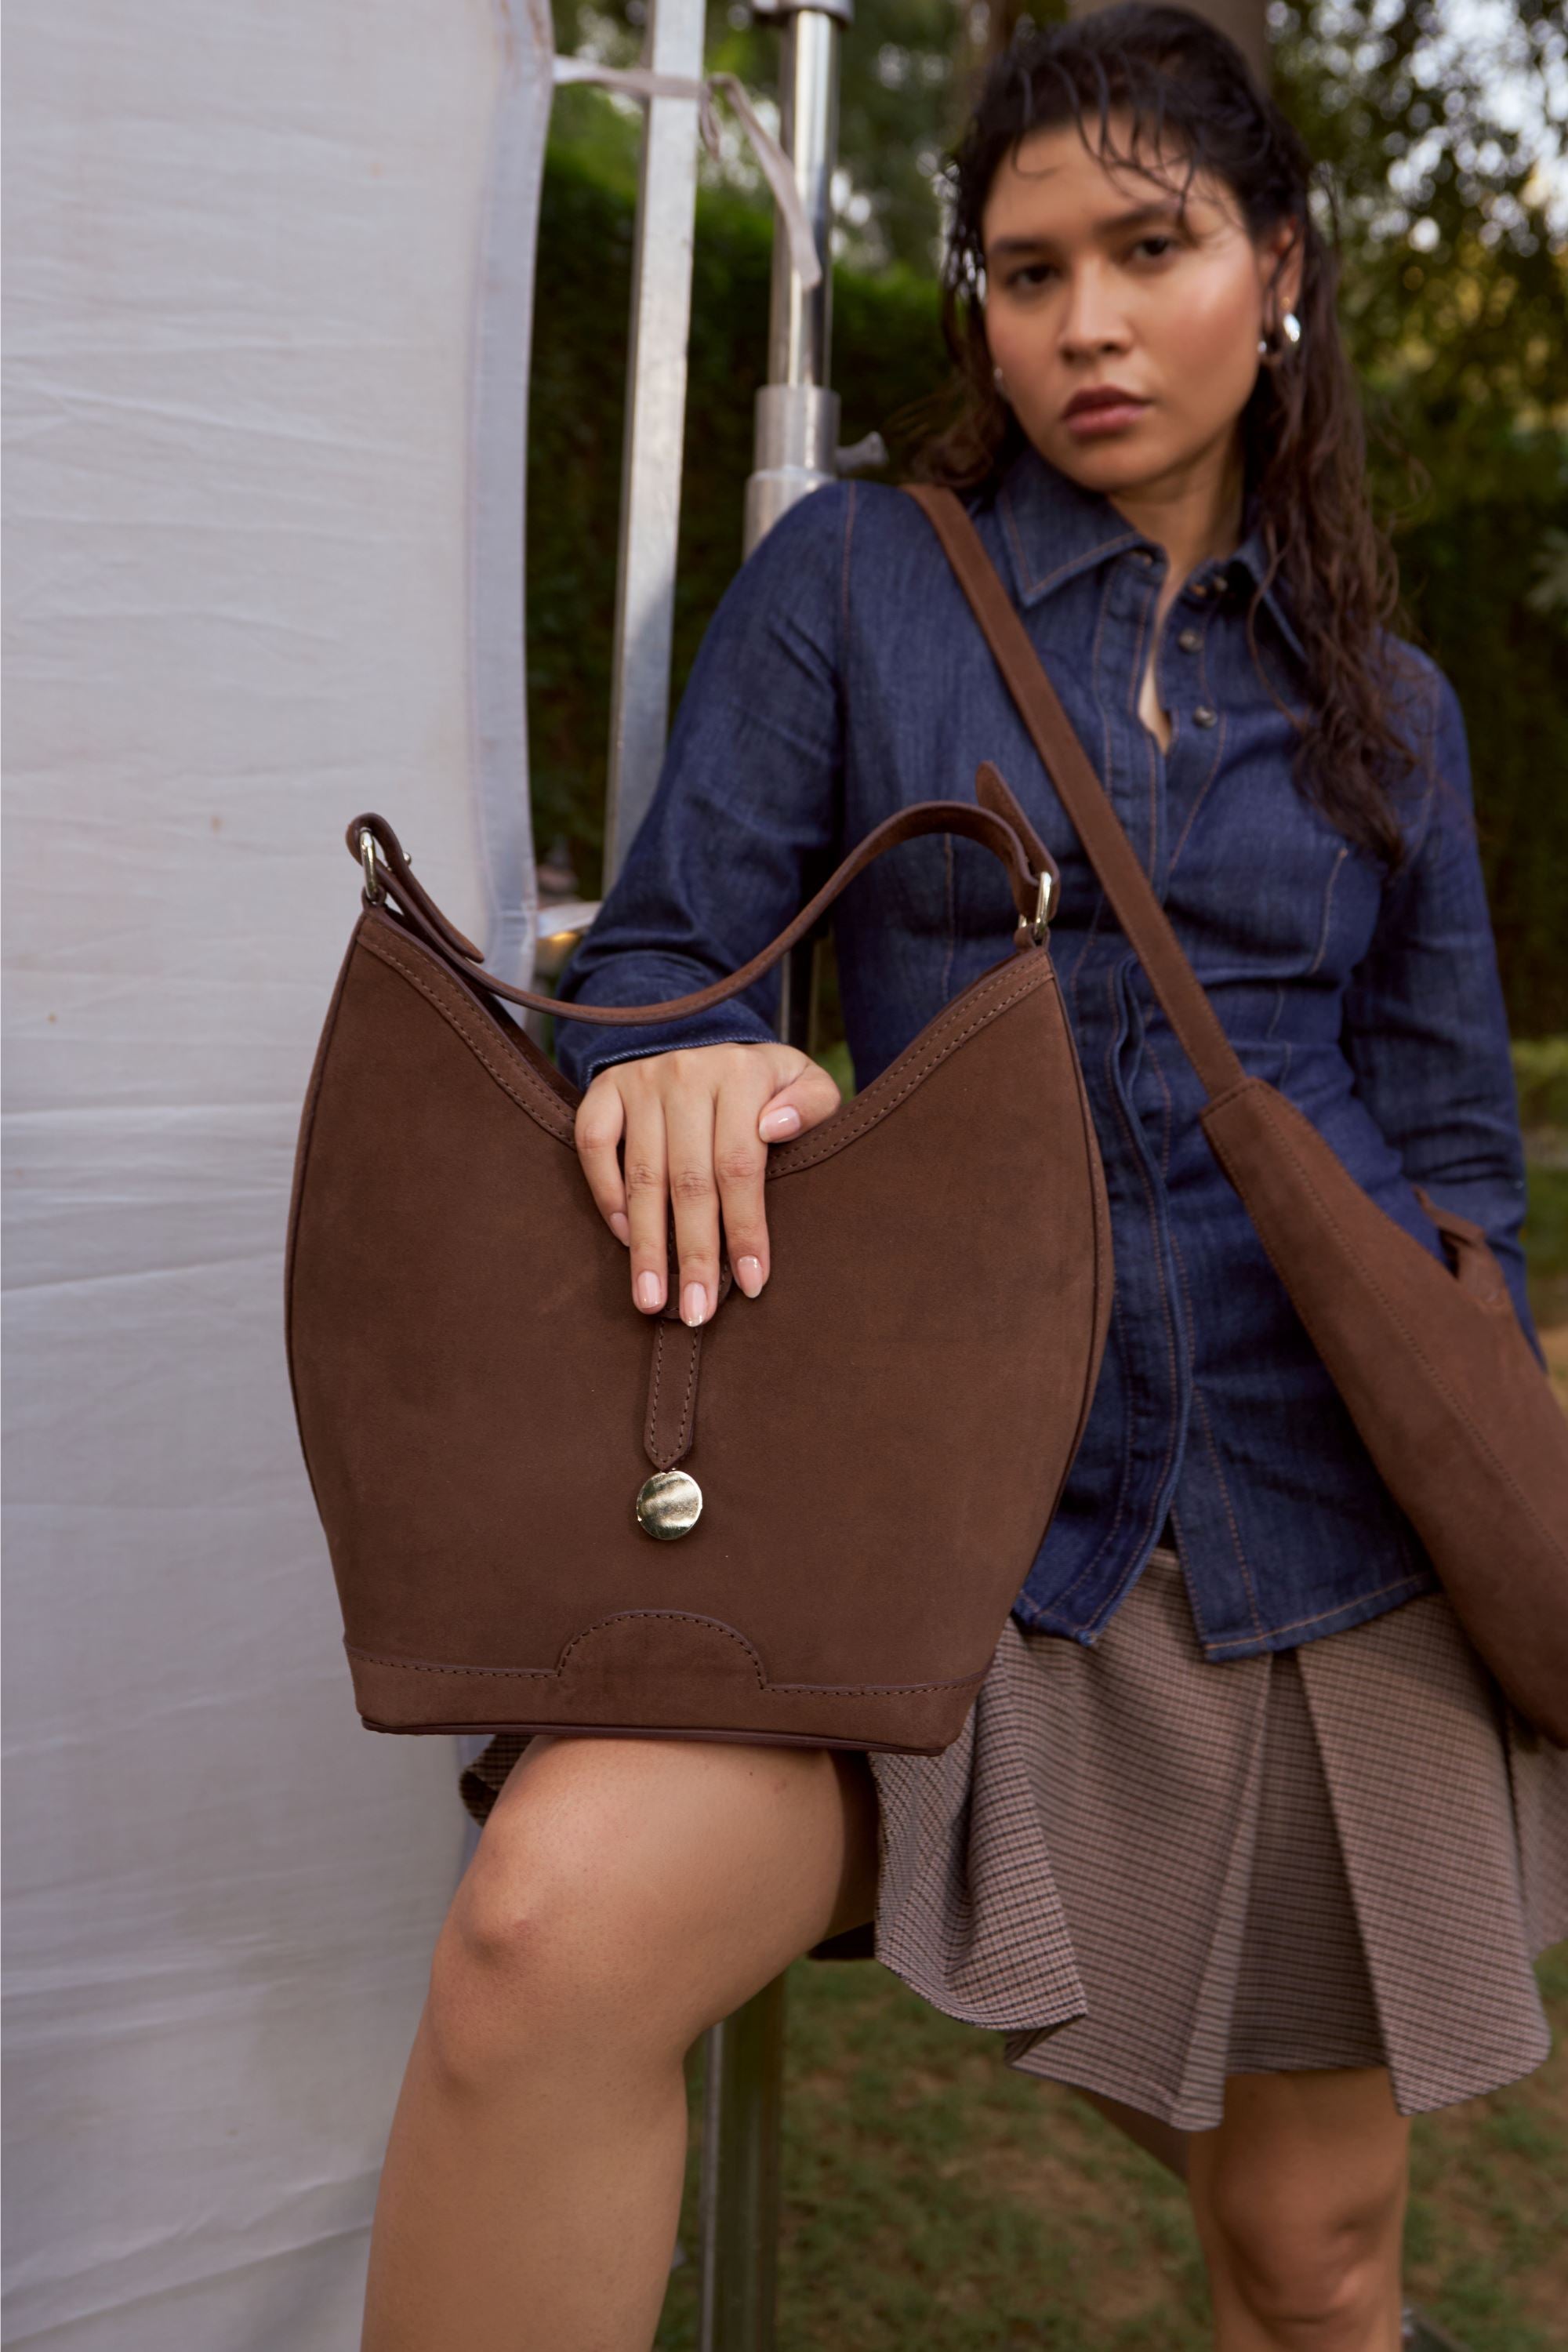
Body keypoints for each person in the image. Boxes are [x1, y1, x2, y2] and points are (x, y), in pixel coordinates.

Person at [359, 9, 1566, 2347]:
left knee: (1315, 2257)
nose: (1086, 324)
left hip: (1318, 1543)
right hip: (924, 1501)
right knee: (543, 1936)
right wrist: (699, 1064)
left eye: (1150, 246)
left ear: (1281, 265)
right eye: (1026, 274)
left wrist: (1476, 1394)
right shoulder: (859, 581)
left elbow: (1442, 1150)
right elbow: (679, 962)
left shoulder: (1388, 703)